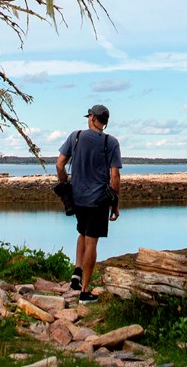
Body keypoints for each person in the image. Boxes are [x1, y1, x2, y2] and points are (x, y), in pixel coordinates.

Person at [56, 104, 122, 304]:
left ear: (93, 118)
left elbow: (60, 164)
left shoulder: (75, 136)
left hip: (77, 198)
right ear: (104, 121)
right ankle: (85, 292)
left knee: (82, 234)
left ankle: (77, 271)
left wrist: (64, 186)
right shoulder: (111, 142)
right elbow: (115, 176)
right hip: (98, 200)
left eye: (89, 116)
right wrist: (115, 202)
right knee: (92, 241)